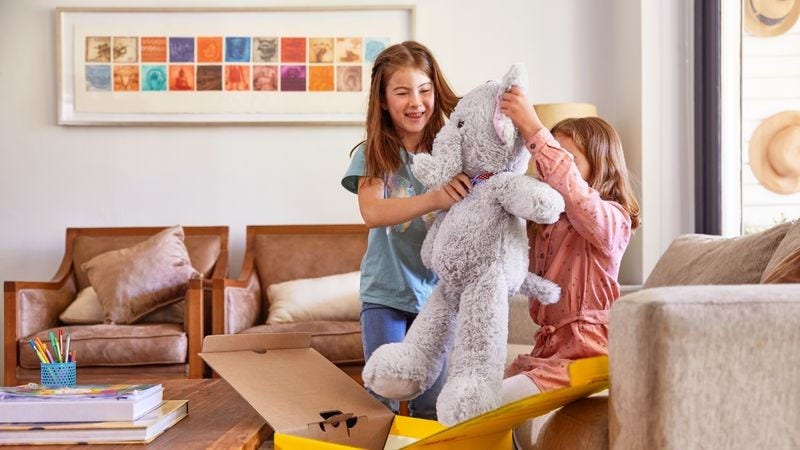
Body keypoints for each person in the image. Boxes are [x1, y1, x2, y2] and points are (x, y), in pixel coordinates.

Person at [499, 88, 641, 445]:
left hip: (588, 351)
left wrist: (534, 129)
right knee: (480, 399)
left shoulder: (612, 220)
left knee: (488, 403)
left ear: (601, 165)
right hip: (549, 352)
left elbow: (578, 196)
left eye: (569, 158)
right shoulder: (546, 223)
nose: (551, 172)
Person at [341, 41, 470, 420]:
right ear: (383, 100)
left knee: (431, 401)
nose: (416, 102)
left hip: (438, 297)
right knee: (379, 395)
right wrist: (436, 198)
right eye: (402, 92)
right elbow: (372, 211)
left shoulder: (452, 151)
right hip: (385, 292)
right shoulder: (373, 152)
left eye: (424, 90)